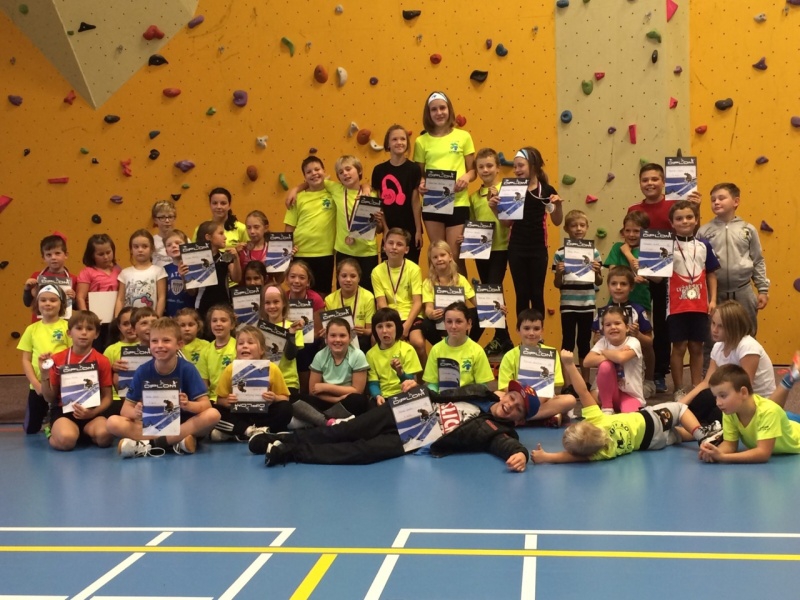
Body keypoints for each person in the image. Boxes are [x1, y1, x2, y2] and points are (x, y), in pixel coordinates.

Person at [248, 379, 538, 471]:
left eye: (517, 409)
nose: (510, 405)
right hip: (402, 411)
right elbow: (440, 394)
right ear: (506, 393)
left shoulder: (498, 430)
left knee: (359, 453)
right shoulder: (479, 391)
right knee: (344, 431)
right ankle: (280, 437)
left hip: (412, 440)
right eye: (512, 398)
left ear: (518, 419)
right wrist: (417, 387)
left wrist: (521, 454)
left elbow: (507, 444)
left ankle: (289, 451)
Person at [531, 350, 722, 463]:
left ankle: (713, 429)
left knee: (678, 434)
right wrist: (570, 365)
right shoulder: (597, 419)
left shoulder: (601, 451)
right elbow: (582, 391)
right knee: (679, 409)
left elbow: (574, 458)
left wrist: (547, 457)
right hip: (650, 421)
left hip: (651, 444)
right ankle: (702, 436)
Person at [627, 164, 701, 393]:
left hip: (668, 276)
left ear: (663, 182)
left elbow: (691, 233)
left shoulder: (674, 205)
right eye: (645, 180)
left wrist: (696, 207)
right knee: (639, 322)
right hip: (642, 275)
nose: (650, 183)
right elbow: (629, 238)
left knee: (662, 325)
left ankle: (660, 373)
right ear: (640, 183)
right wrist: (631, 259)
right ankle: (639, 372)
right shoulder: (634, 209)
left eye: (654, 179)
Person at [107, 317, 220, 457]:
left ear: (179, 344)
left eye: (166, 340)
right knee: (112, 422)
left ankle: (150, 444)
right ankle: (177, 442)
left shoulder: (187, 369)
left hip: (182, 423)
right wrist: (136, 412)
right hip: (153, 425)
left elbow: (206, 405)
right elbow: (125, 410)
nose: (159, 345)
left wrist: (188, 405)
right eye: (154, 341)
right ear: (149, 344)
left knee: (213, 415)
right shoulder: (143, 370)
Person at [492, 147, 563, 319]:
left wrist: (558, 205)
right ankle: (523, 333)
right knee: (522, 294)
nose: (516, 170)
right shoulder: (511, 191)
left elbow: (557, 221)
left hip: (538, 249)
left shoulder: (546, 190)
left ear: (534, 166)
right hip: (517, 249)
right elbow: (507, 223)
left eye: (520, 166)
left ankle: (538, 333)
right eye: (515, 166)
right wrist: (495, 208)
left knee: (537, 294)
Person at [679, 300, 775, 425]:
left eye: (721, 326)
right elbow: (707, 382)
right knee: (702, 398)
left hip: (754, 402)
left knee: (716, 414)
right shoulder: (718, 347)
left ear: (734, 327)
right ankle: (693, 425)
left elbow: (745, 388)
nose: (714, 330)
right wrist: (680, 405)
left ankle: (700, 428)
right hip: (731, 395)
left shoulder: (747, 347)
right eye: (713, 323)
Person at [697, 183, 769, 335]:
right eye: (713, 200)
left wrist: (763, 290)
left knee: (746, 335)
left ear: (736, 201)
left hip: (743, 291)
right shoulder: (704, 231)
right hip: (715, 293)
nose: (716, 202)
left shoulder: (748, 229)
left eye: (721, 198)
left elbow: (758, 261)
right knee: (714, 336)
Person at [414, 91, 476, 269]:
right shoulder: (421, 141)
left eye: (442, 108)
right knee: (438, 256)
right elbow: (420, 174)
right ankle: (438, 289)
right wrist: (421, 183)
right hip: (433, 203)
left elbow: (473, 171)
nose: (439, 112)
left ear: (449, 110)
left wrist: (466, 177)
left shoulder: (463, 136)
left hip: (458, 203)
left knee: (455, 257)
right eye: (434, 109)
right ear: (428, 113)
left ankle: (459, 289)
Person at [39, 311, 113, 451]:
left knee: (105, 437)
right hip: (64, 413)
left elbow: (107, 397)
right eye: (79, 328)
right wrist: (44, 374)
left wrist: (93, 413)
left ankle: (82, 433)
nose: (84, 333)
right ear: (69, 333)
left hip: (91, 412)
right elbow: (49, 398)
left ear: (96, 334)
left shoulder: (102, 361)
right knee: (66, 441)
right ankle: (52, 431)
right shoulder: (57, 359)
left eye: (89, 329)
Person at [667, 201, 719, 398]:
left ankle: (697, 387)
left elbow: (711, 274)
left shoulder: (704, 245)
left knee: (697, 347)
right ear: (672, 223)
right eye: (679, 218)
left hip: (699, 305)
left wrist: (713, 300)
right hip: (676, 305)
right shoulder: (667, 246)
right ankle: (679, 388)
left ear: (696, 220)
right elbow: (656, 276)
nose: (685, 221)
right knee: (679, 347)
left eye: (689, 217)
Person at [698, 364, 800, 464]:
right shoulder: (730, 412)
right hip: (783, 421)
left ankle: (791, 377)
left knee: (779, 413)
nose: (718, 403)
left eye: (723, 396)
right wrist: (714, 452)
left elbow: (763, 453)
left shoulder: (768, 411)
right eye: (716, 397)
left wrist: (723, 457)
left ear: (743, 392)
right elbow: (730, 445)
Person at [211, 325, 292, 441]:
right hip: (239, 414)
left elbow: (285, 398)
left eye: (250, 342)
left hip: (263, 415)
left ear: (262, 350)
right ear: (236, 349)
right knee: (213, 410)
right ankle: (249, 431)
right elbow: (219, 400)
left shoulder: (272, 368)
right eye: (240, 343)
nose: (245, 346)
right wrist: (227, 401)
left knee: (286, 408)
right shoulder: (230, 369)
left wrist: (274, 398)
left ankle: (238, 432)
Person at [468, 147, 512, 355]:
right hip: (481, 251)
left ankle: (498, 338)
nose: (485, 170)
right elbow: (473, 224)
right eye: (481, 167)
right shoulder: (474, 197)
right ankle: (503, 337)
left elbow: (511, 219)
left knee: (492, 291)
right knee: (489, 293)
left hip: (501, 248)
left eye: (489, 166)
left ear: (498, 167)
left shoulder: (506, 190)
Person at [497, 309, 575, 426]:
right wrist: (524, 397)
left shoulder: (551, 353)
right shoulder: (509, 356)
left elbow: (554, 386)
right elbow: (505, 388)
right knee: (496, 395)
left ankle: (523, 418)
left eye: (536, 329)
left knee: (570, 400)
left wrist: (537, 399)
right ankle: (543, 417)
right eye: (526, 328)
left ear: (542, 330)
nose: (531, 333)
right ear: (518, 330)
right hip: (518, 401)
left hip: (543, 399)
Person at [553, 209, 603, 385]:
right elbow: (557, 284)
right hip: (567, 304)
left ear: (587, 227)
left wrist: (597, 271)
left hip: (587, 304)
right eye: (574, 226)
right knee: (567, 343)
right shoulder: (560, 253)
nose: (578, 229)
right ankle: (567, 384)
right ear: (566, 229)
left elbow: (599, 281)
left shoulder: (594, 252)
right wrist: (559, 273)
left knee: (584, 343)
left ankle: (585, 382)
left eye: (582, 225)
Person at [291, 317, 371, 427]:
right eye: (333, 335)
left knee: (359, 400)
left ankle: (315, 419)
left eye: (342, 336)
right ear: (326, 338)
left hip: (346, 402)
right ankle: (329, 422)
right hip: (325, 401)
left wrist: (326, 387)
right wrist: (336, 399)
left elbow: (356, 390)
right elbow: (313, 391)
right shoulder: (320, 355)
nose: (337, 340)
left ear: (349, 338)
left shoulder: (358, 355)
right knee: (292, 398)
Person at [591, 266, 655, 397]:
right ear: (608, 286)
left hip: (631, 364)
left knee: (632, 395)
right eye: (614, 284)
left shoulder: (638, 310)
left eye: (623, 284)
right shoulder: (603, 312)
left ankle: (648, 382)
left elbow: (649, 343)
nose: (618, 287)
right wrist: (598, 339)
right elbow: (595, 340)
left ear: (631, 287)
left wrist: (638, 335)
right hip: (609, 361)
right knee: (595, 396)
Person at [17, 285, 71, 434]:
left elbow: (73, 355)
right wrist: (36, 384)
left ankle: (52, 421)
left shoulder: (68, 327)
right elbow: (26, 360)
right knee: (31, 429)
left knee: (59, 423)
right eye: (43, 300)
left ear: (61, 304)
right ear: (37, 304)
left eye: (53, 300)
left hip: (61, 385)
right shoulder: (31, 329)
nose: (48, 303)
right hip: (39, 385)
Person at [371, 228, 426, 367]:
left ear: (406, 250)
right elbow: (381, 303)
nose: (394, 247)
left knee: (418, 342)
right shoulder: (376, 271)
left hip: (411, 315)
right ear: (384, 246)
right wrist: (392, 325)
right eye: (390, 243)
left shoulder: (414, 269)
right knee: (374, 340)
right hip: (389, 316)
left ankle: (424, 378)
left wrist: (406, 326)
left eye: (399, 244)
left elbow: (417, 302)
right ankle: (381, 374)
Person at [283, 156, 337, 296]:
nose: (314, 173)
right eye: (309, 172)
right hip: (300, 252)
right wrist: (288, 249)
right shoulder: (297, 198)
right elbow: (289, 228)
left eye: (317, 169)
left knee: (322, 294)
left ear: (324, 171)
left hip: (324, 253)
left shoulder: (333, 194)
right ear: (304, 177)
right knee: (299, 292)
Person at [371, 124, 424, 263]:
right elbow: (379, 203)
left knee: (410, 268)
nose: (399, 142)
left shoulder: (414, 169)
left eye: (403, 139)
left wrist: (418, 230)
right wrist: (385, 229)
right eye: (394, 139)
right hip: (389, 229)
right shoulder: (379, 170)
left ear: (407, 143)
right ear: (387, 144)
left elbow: (415, 202)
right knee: (389, 268)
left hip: (410, 229)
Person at [584, 306, 644, 413]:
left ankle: (619, 407)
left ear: (627, 327)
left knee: (630, 417)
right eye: (608, 325)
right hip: (609, 394)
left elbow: (621, 358)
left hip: (630, 394)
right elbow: (587, 362)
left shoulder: (633, 342)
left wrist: (604, 352)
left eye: (617, 323)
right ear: (603, 329)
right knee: (605, 365)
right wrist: (614, 354)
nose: (613, 327)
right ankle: (607, 407)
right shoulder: (603, 342)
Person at [422, 302, 494, 392]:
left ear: (469, 324)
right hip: (443, 398)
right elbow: (432, 384)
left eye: (459, 321)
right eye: (449, 322)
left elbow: (482, 386)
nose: (453, 326)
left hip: (469, 398)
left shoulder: (477, 351)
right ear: (444, 324)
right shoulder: (436, 350)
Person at [421, 240, 482, 345]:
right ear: (431, 261)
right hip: (440, 319)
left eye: (442, 255)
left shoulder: (460, 279)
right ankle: (442, 348)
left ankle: (468, 344)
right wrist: (431, 314)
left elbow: (476, 302)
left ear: (450, 257)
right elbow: (428, 308)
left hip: (459, 318)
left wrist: (493, 310)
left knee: (481, 313)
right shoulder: (428, 283)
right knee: (426, 324)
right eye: (435, 257)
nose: (439, 259)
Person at [366, 308, 423, 406]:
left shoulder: (407, 349)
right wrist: (377, 396)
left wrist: (400, 372)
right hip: (383, 398)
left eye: (389, 326)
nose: (384, 330)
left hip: (404, 394)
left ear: (397, 327)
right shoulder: (370, 354)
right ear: (375, 330)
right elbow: (373, 383)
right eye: (379, 327)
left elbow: (411, 382)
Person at [285, 260, 325, 393]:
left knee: (303, 349)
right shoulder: (283, 297)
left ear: (308, 282)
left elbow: (318, 332)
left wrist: (300, 338)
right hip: (288, 338)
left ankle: (304, 392)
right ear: (287, 279)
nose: (296, 281)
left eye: (302, 278)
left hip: (310, 341)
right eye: (292, 276)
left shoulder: (316, 299)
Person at [76, 233, 120, 351]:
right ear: (92, 255)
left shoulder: (118, 270)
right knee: (98, 349)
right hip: (96, 321)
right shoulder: (87, 272)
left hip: (114, 320)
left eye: (108, 252)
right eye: (100, 254)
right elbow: (80, 297)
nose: (106, 257)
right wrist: (87, 319)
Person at [191, 221, 242, 324]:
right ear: (208, 237)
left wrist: (236, 258)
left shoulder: (225, 257)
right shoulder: (196, 259)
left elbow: (236, 278)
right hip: (203, 306)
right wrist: (184, 277)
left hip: (223, 305)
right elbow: (192, 291)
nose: (225, 237)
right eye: (221, 233)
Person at [260, 284, 305, 396]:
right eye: (267, 303)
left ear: (284, 303)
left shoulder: (294, 327)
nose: (272, 306)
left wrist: (291, 333)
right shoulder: (258, 329)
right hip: (265, 381)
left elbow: (290, 355)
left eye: (276, 302)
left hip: (288, 382)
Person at [604, 210, 652, 313]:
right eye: (627, 230)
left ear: (645, 232)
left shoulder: (649, 250)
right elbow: (613, 273)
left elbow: (641, 272)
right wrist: (631, 280)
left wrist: (627, 253)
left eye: (636, 231)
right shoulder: (617, 247)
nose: (631, 234)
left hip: (641, 302)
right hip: (617, 303)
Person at [23, 233, 77, 322]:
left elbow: (75, 308)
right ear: (43, 258)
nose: (53, 257)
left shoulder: (73, 279)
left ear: (66, 255)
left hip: (62, 325)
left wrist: (73, 298)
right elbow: (27, 303)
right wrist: (27, 290)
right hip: (39, 324)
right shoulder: (36, 277)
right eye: (48, 255)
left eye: (57, 253)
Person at [324, 258, 375, 350]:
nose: (348, 280)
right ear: (338, 277)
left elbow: (370, 331)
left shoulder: (368, 297)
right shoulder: (329, 299)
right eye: (344, 276)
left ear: (359, 278)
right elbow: (327, 330)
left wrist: (363, 331)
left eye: (353, 276)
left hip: (359, 339)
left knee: (364, 341)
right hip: (337, 339)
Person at [114, 229, 167, 317]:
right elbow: (120, 299)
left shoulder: (159, 271)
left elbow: (161, 298)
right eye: (136, 247)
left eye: (144, 246)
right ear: (131, 250)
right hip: (129, 320)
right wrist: (117, 320)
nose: (140, 250)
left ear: (152, 249)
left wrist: (157, 319)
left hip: (150, 319)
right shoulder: (125, 273)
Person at [103, 306, 140, 417]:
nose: (130, 327)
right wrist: (112, 369)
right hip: (117, 398)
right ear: (119, 327)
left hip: (145, 396)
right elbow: (102, 378)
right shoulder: (111, 350)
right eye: (126, 324)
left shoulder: (150, 345)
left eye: (134, 323)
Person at [197, 305, 237, 404]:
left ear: (232, 325)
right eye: (214, 321)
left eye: (223, 320)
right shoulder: (205, 351)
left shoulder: (238, 347)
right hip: (213, 400)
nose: (218, 324)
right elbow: (203, 383)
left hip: (234, 398)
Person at [163, 229, 194, 317]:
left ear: (186, 247)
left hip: (188, 315)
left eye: (178, 243)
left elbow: (192, 293)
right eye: (169, 245)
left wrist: (184, 277)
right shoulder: (164, 269)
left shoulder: (193, 267)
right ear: (166, 252)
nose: (174, 246)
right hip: (170, 315)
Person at [237, 210, 270, 280]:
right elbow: (236, 279)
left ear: (266, 228)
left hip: (267, 286)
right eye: (249, 228)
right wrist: (236, 256)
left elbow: (279, 279)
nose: (252, 231)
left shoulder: (272, 250)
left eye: (256, 227)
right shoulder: (242, 251)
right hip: (245, 287)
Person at [150, 199, 178, 268]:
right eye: (162, 217)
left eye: (170, 217)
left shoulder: (183, 239)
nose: (167, 221)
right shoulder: (151, 241)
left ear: (174, 218)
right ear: (155, 220)